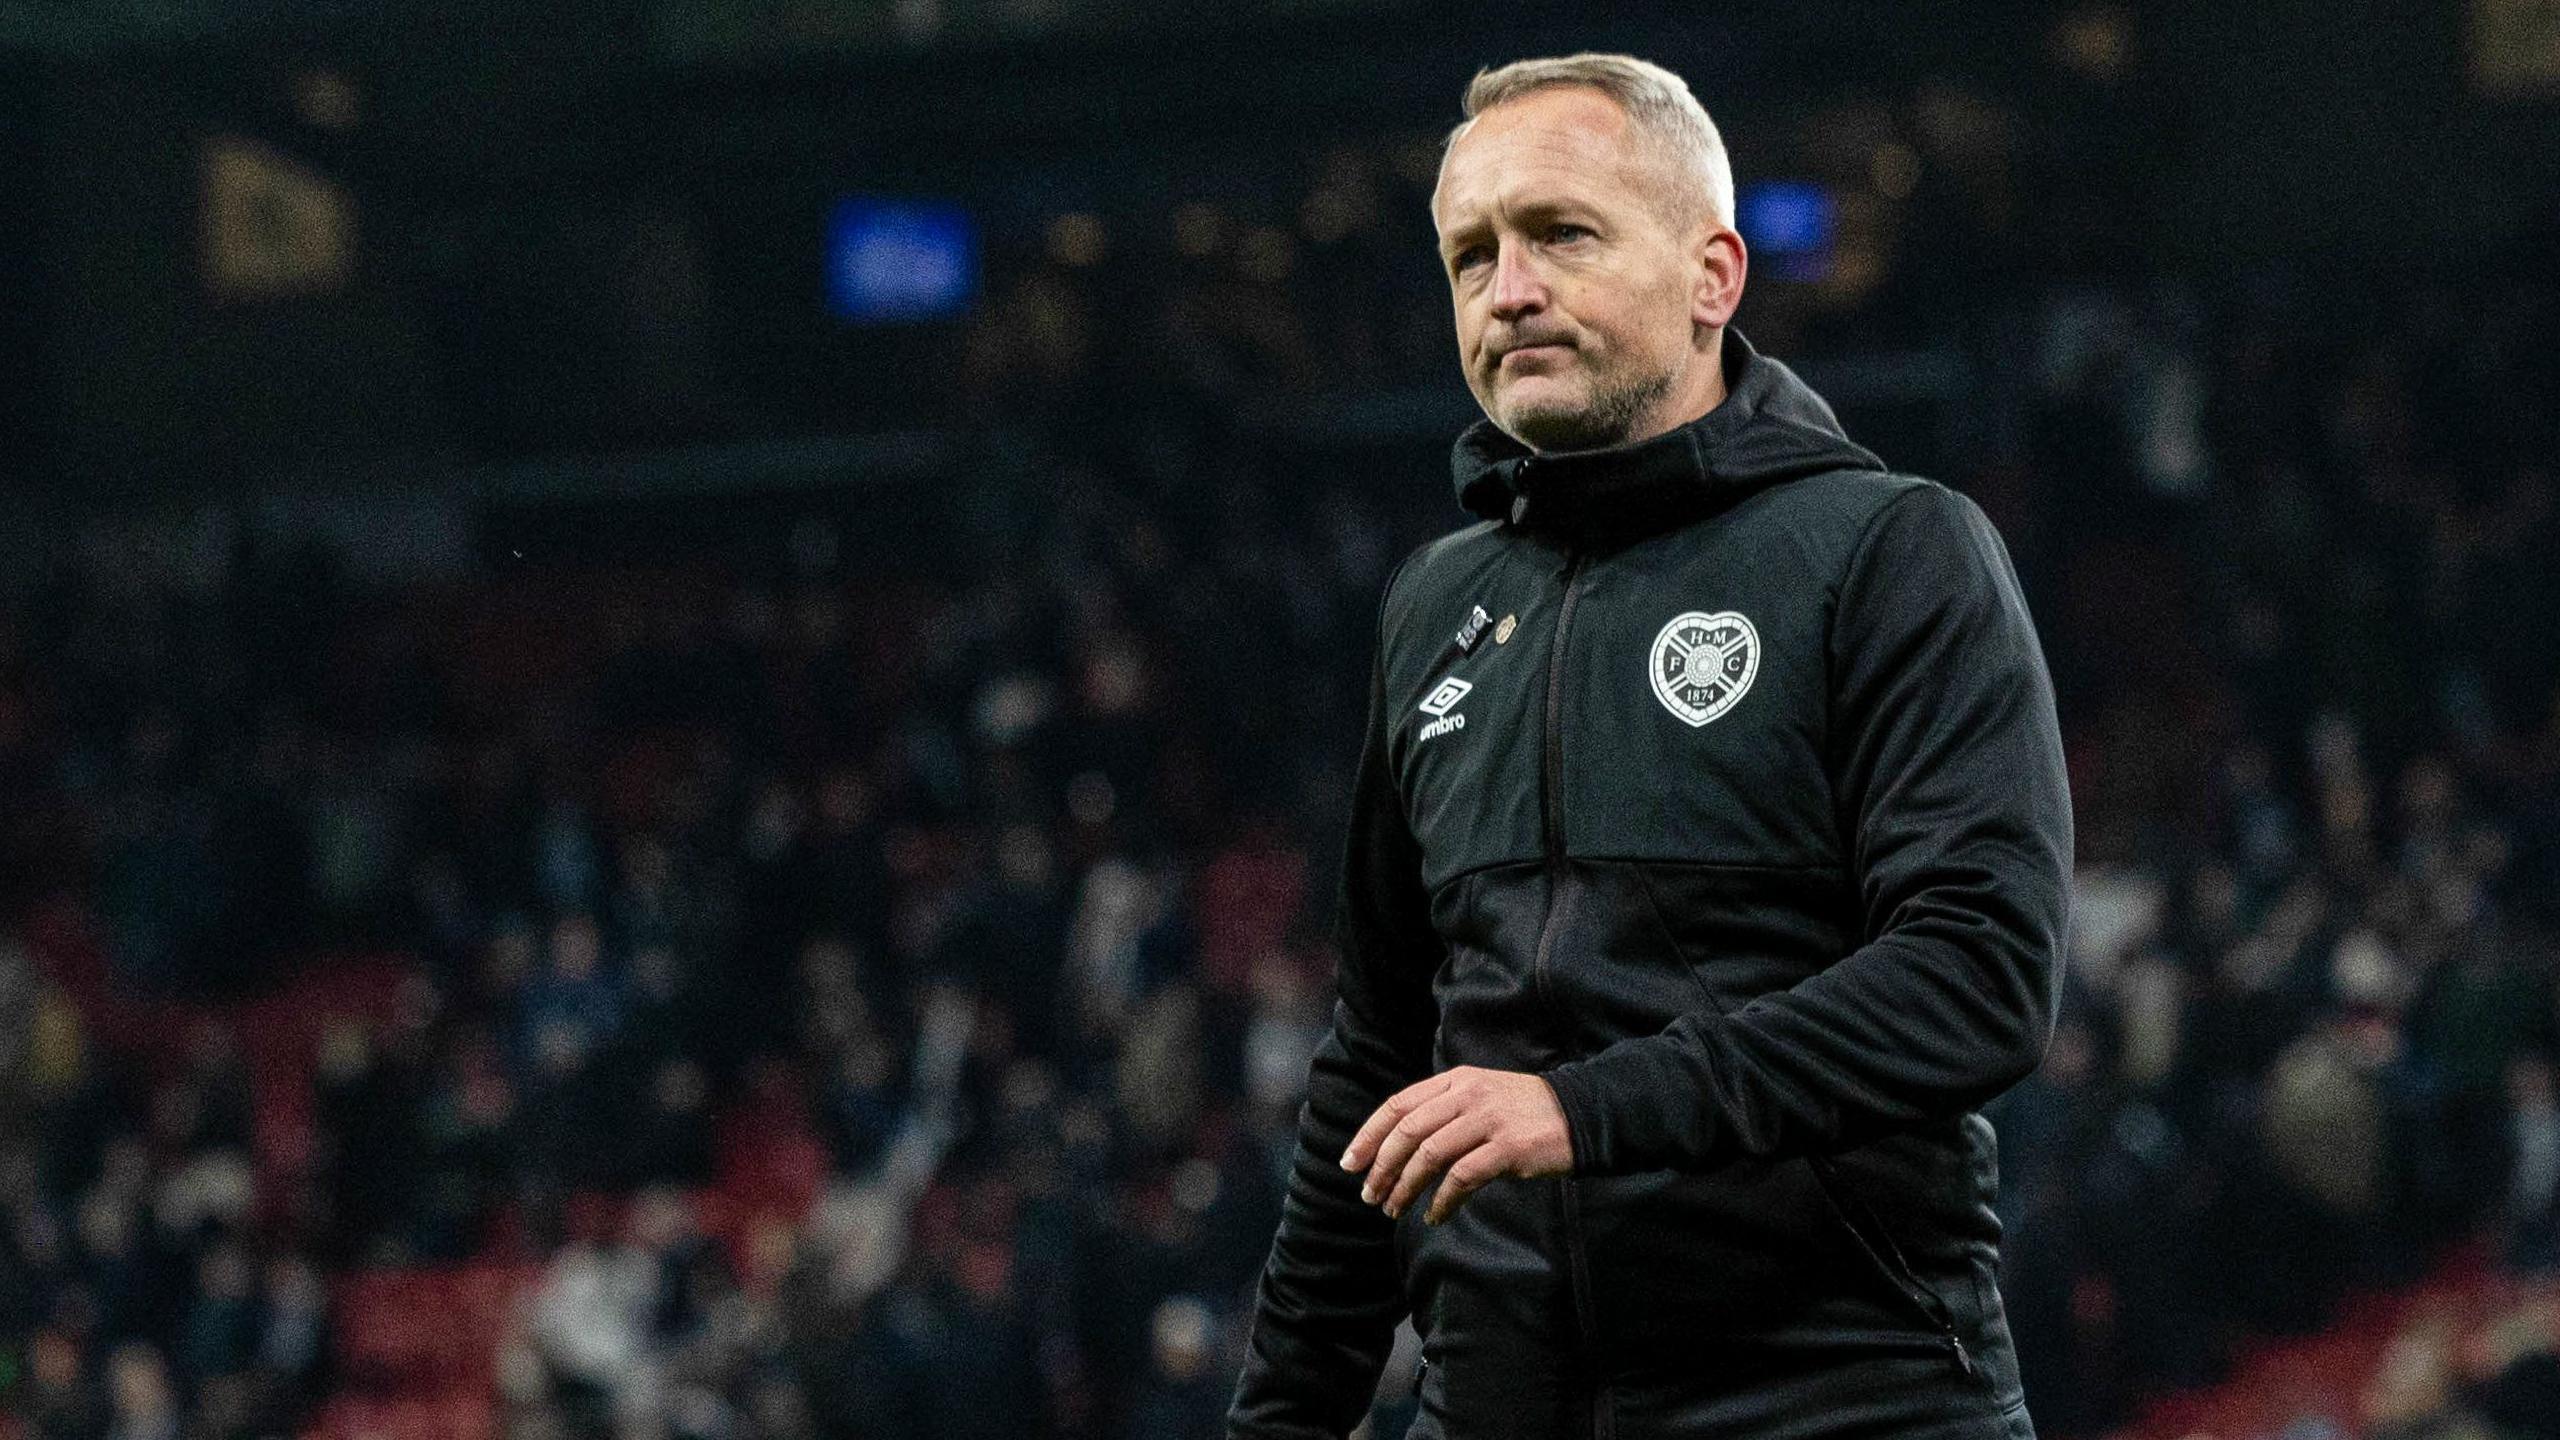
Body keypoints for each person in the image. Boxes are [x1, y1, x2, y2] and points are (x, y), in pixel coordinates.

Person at [1225, 53, 2072, 1440]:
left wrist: (1583, 1110)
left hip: (1843, 1399)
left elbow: (1980, 974)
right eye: (1470, 255)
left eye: (1561, 232)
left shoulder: (1891, 552)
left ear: (1712, 275)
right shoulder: (1438, 605)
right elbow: (1379, 1056)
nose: (1508, 288)